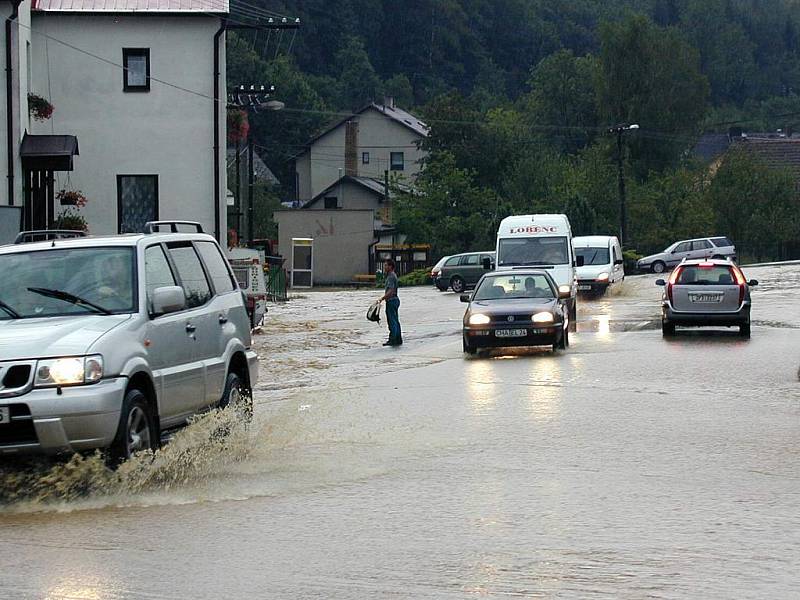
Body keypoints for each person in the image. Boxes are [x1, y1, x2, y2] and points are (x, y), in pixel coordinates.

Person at [379, 259, 402, 346]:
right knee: (395, 320)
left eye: (386, 265)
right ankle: (398, 339)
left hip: (391, 300)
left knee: (392, 321)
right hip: (394, 300)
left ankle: (393, 339)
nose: (384, 267)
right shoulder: (392, 276)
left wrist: (382, 298)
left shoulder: (391, 277)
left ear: (390, 266)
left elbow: (391, 291)